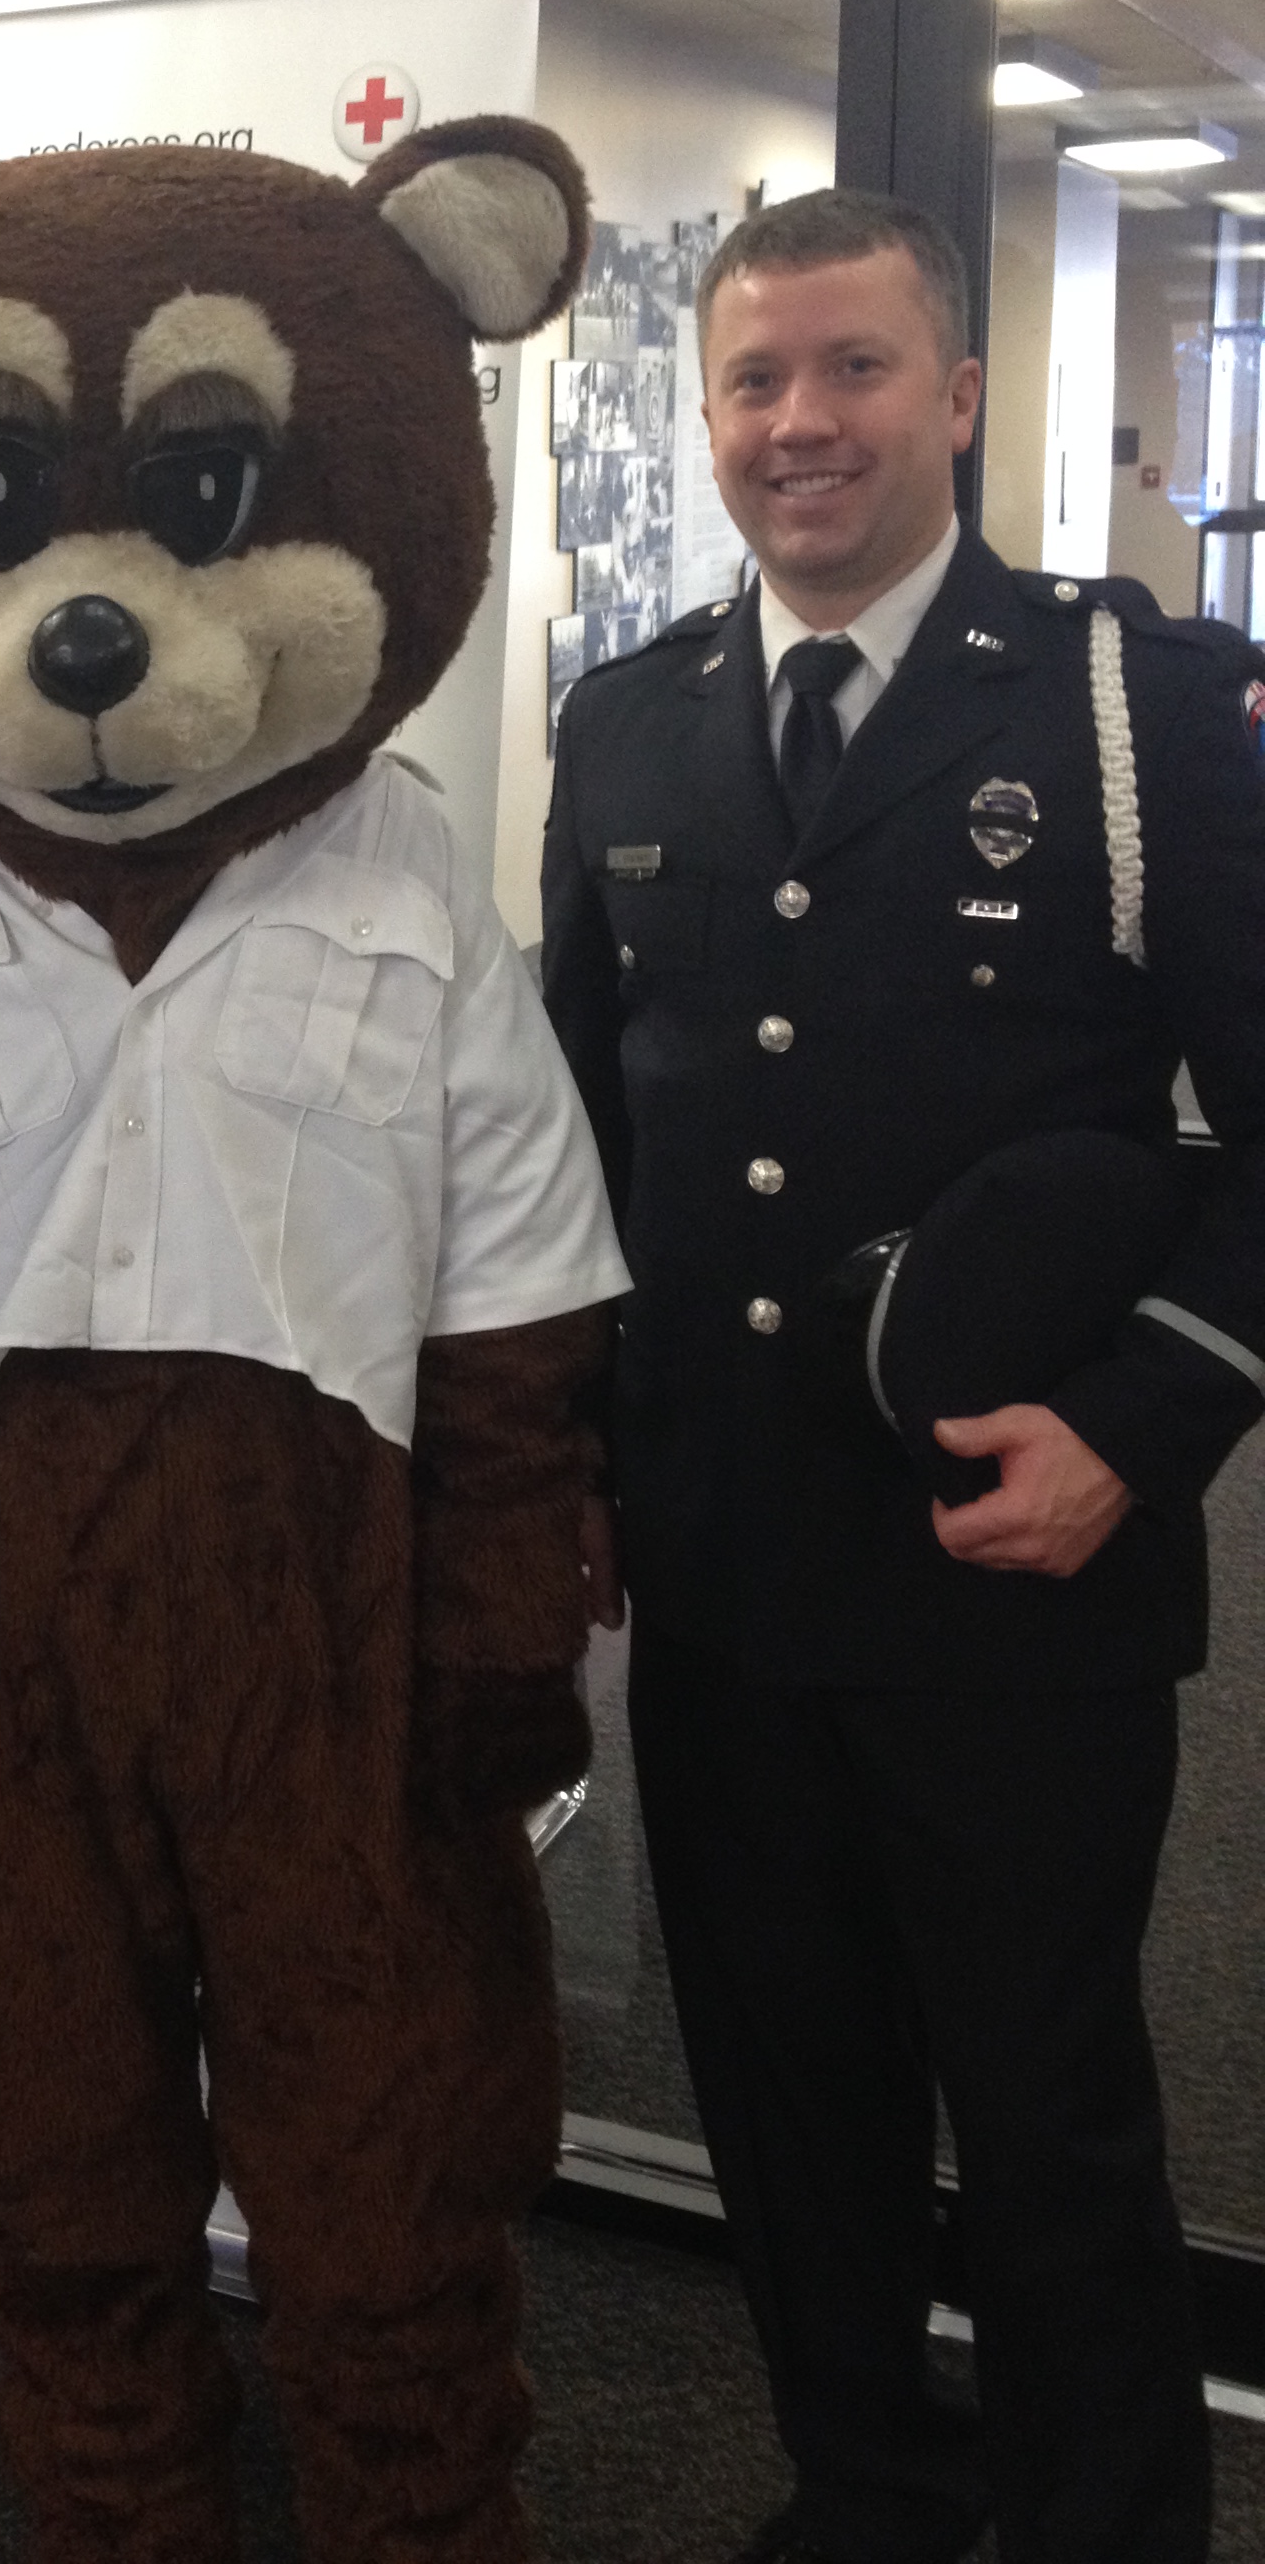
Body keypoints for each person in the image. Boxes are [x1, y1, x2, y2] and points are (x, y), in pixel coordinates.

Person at [541, 188, 1265, 2564]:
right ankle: (866, 2486)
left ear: (959, 396)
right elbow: (577, 1130)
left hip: (1014, 1549)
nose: (800, 425)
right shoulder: (625, 717)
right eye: (755, 380)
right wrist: (565, 1471)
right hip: (732, 1565)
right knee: (784, 2086)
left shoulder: (1132, 710)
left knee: (1043, 2103)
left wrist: (1141, 1433)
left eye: (855, 370)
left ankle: (1103, 2532)